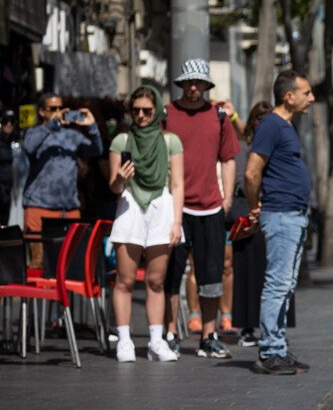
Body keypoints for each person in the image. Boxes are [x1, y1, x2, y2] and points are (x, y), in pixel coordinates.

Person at [161, 58, 240, 359]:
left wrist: (227, 198)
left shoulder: (218, 116)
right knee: (172, 274)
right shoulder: (166, 114)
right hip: (174, 209)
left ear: (207, 85)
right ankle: (170, 333)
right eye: (189, 82)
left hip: (210, 208)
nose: (193, 87)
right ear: (181, 84)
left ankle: (209, 335)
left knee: (211, 276)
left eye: (199, 82)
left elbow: (228, 158)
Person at [244, 69, 314, 375]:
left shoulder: (286, 125)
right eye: (306, 93)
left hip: (293, 215)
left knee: (285, 285)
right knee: (277, 284)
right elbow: (251, 171)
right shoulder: (271, 125)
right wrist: (253, 206)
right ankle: (269, 351)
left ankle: (278, 347)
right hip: (281, 214)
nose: (311, 97)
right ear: (289, 96)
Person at [108, 86, 183, 362]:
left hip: (162, 207)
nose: (140, 115)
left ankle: (155, 341)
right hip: (129, 205)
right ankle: (125, 341)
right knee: (125, 280)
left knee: (155, 281)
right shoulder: (121, 141)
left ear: (158, 111)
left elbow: (177, 183)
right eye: (136, 110)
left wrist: (177, 221)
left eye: (147, 111)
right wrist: (121, 177)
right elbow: (114, 188)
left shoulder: (170, 141)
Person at [22, 93, 104, 269]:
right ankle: (33, 298)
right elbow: (29, 146)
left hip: (67, 209)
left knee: (69, 264)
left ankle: (61, 298)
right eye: (53, 109)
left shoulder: (71, 135)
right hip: (38, 207)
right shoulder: (35, 132)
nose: (58, 112)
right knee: (38, 263)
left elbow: (96, 150)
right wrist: (52, 124)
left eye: (61, 108)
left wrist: (92, 127)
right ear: (42, 112)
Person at [0, 109, 16, 224]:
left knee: (5, 225)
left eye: (12, 121)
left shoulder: (15, 142)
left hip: (9, 190)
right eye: (6, 121)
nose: (9, 124)